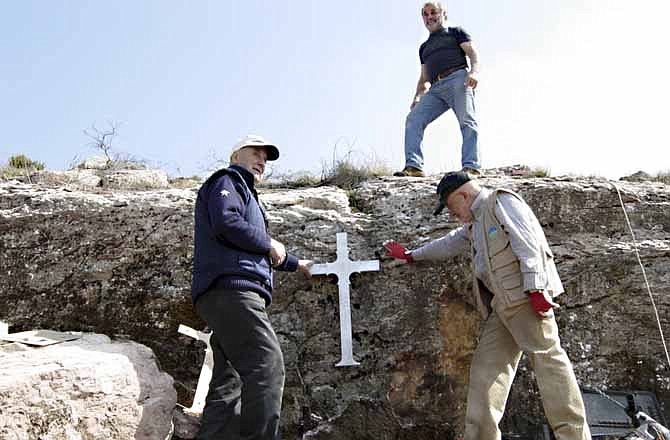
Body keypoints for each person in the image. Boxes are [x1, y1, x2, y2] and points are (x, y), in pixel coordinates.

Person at [384, 171, 590, 440]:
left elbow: (528, 242)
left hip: (525, 298)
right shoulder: (474, 224)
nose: (450, 213)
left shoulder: (499, 201)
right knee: (485, 375)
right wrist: (411, 256)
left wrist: (537, 287)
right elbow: (446, 245)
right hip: (501, 308)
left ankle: (574, 436)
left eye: (449, 206)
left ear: (463, 195)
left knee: (548, 362)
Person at [191, 134, 312, 440]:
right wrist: (269, 242)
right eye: (255, 152)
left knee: (228, 380)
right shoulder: (228, 180)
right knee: (267, 365)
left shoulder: (246, 194)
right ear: (235, 155)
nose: (261, 159)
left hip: (225, 294)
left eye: (265, 157)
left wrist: (296, 264)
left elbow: (258, 248)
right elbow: (227, 223)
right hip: (233, 292)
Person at [395, 1, 481, 178]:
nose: (429, 17)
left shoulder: (456, 32)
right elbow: (424, 78)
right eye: (425, 14)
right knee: (413, 119)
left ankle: (471, 166)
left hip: (458, 78)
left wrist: (474, 72)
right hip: (435, 88)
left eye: (433, 12)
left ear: (443, 14)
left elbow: (473, 54)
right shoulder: (424, 48)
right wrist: (417, 96)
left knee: (467, 120)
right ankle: (414, 167)